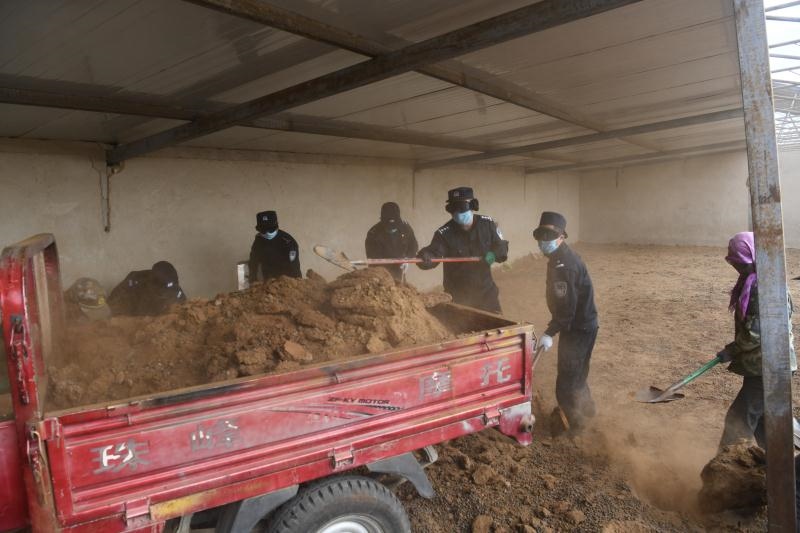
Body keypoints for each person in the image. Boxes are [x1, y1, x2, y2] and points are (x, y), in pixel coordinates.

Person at [716, 231, 795, 449]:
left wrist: (733, 349)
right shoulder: (758, 281)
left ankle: (725, 468)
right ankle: (775, 464)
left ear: (754, 256)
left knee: (738, 420)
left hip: (770, 366)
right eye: (734, 262)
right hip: (766, 364)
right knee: (764, 420)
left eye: (741, 263)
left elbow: (757, 332)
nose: (737, 267)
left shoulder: (764, 288)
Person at [533, 211, 598, 432]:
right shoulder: (558, 258)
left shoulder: (564, 266)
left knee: (567, 381)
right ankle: (588, 410)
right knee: (577, 373)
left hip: (577, 329)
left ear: (561, 237)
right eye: (541, 235)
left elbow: (567, 308)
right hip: (585, 325)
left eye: (549, 236)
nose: (544, 241)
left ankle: (574, 425)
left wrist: (550, 332)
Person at [416, 187, 508, 313]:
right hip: (457, 295)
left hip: (486, 294)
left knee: (496, 324)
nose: (458, 213)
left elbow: (501, 247)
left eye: (462, 207)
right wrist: (425, 256)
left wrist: (492, 255)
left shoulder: (487, 224)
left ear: (473, 205)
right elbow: (434, 252)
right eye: (453, 208)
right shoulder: (444, 233)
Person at [108, 261, 187, 316]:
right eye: (161, 286)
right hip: (130, 317)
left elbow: (183, 305)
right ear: (152, 280)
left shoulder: (174, 290)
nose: (163, 290)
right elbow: (113, 301)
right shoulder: (136, 279)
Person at [365, 202, 418, 282]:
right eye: (389, 227)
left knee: (400, 286)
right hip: (379, 275)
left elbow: (413, 246)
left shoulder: (405, 228)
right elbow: (374, 259)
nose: (392, 229)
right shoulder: (373, 234)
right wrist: (387, 278)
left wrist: (407, 259)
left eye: (394, 227)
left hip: (399, 270)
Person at [248, 210, 301, 283]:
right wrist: (253, 280)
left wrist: (297, 282)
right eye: (263, 230)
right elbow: (253, 262)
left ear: (276, 226)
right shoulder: (258, 241)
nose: (267, 233)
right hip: (268, 280)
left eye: (270, 230)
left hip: (287, 280)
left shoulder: (288, 241)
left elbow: (294, 264)